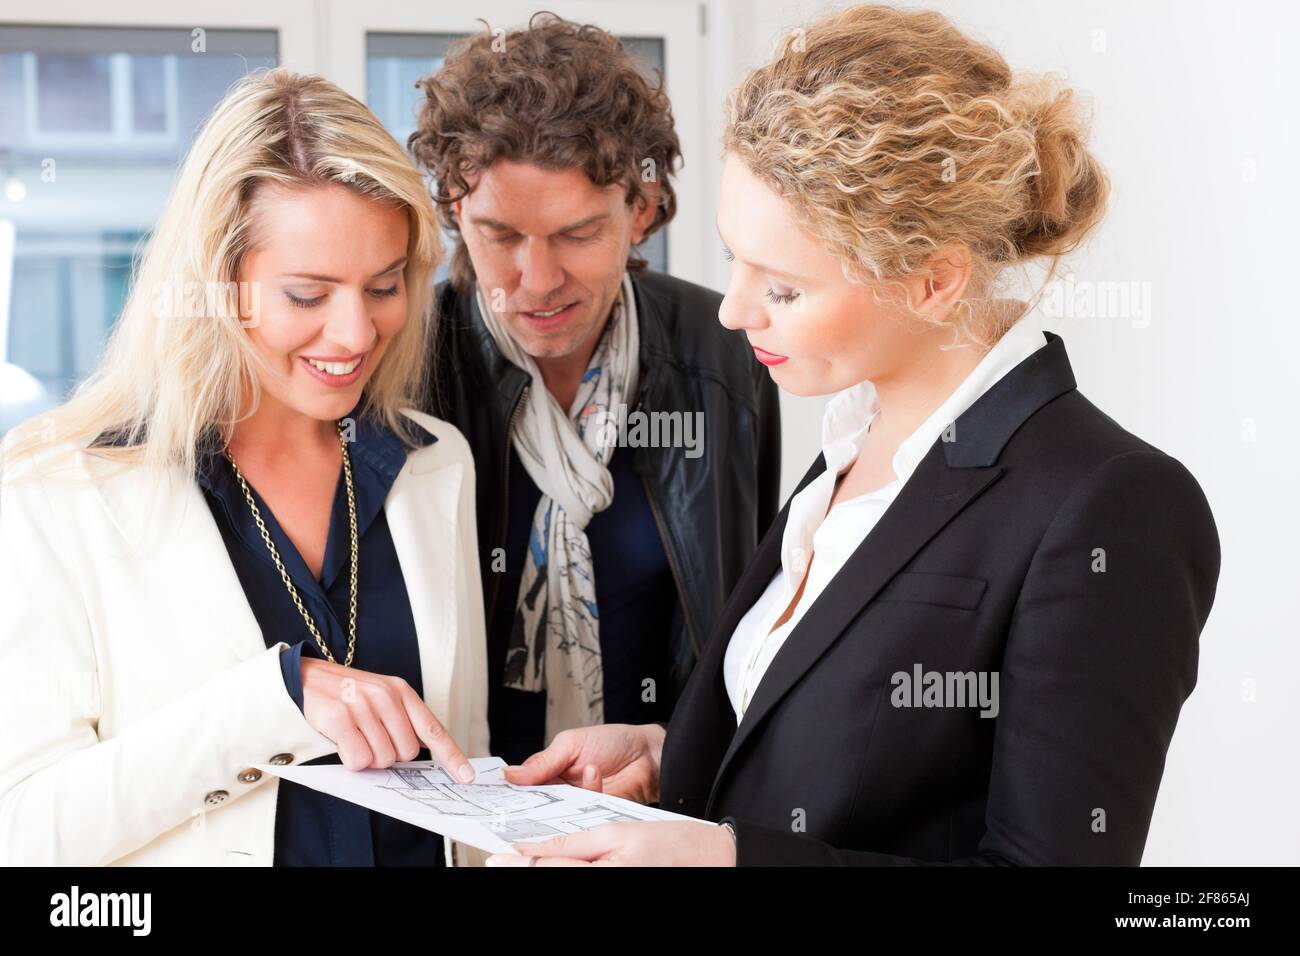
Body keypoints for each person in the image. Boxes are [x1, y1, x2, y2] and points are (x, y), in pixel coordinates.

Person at [491, 4, 1221, 866]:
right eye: (735, 260)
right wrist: (668, 757)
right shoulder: (848, 445)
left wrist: (731, 863)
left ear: (935, 281)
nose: (733, 310)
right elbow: (839, 756)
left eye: (785, 288)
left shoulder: (1113, 506)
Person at [0, 69, 487, 866]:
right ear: (217, 285)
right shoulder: (57, 490)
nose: (356, 332)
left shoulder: (438, 468)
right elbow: (22, 836)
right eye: (306, 295)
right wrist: (278, 703)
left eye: (385, 285)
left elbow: (463, 767)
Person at [409, 14, 781, 766]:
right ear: (455, 207)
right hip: (462, 810)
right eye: (500, 236)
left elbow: (743, 629)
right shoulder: (410, 367)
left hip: (657, 799)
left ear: (641, 211)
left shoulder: (726, 355)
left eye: (578, 234)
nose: (536, 282)